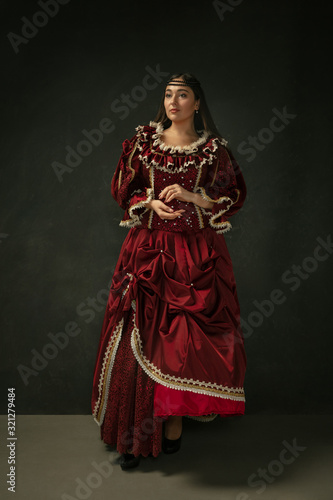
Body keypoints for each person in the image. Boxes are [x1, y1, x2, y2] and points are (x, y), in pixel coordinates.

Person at [91, 72, 247, 470]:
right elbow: (124, 189)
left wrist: (194, 195)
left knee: (181, 345)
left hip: (196, 255)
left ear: (197, 104)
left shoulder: (212, 150)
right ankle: (133, 438)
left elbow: (232, 194)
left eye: (182, 95)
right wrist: (150, 202)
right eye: (167, 94)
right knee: (137, 340)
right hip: (148, 253)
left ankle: (173, 426)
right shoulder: (144, 143)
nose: (172, 101)